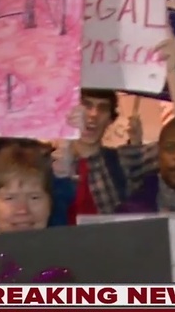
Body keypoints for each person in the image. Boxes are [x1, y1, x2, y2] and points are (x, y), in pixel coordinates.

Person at [50, 89, 156, 225]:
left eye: (103, 108)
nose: (94, 114)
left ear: (111, 119)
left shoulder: (123, 159)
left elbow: (172, 151)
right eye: (86, 105)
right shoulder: (45, 166)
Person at [0, 145, 52, 232]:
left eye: (34, 198)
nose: (22, 210)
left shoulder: (68, 245)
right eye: (9, 198)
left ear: (50, 203)